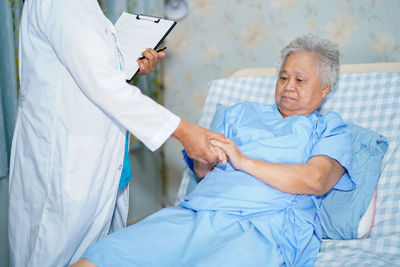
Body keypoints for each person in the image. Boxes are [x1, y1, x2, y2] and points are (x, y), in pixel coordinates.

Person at [71, 34, 355, 267]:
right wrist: (202, 159)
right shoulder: (239, 113)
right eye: (283, 78)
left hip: (264, 227)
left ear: (325, 88)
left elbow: (315, 180)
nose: (288, 87)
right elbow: (202, 171)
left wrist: (243, 161)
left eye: (300, 80)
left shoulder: (330, 128)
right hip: (197, 214)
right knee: (99, 258)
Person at [8, 1, 226, 266]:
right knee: (54, 254)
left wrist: (128, 67)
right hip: (64, 163)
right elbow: (101, 83)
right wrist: (183, 131)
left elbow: (87, 70)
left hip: (97, 156)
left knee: (99, 255)